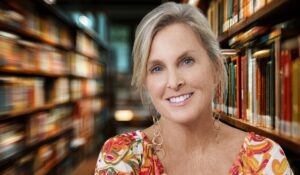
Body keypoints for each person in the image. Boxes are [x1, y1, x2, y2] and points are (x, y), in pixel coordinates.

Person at [95, 2, 294, 175]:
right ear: (145, 82)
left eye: (187, 61)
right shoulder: (120, 158)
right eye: (157, 68)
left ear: (215, 68)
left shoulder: (265, 157)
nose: (174, 82)